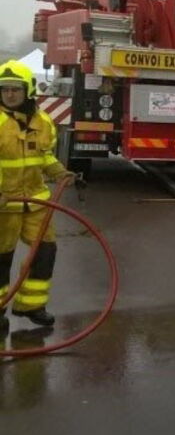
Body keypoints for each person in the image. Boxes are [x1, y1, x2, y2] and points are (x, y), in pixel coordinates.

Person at [0, 60, 73, 334]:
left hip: (36, 203)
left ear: (28, 89)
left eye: (15, 89)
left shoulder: (43, 122)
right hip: (4, 205)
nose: (9, 94)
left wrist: (59, 171)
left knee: (44, 253)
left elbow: (44, 155)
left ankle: (31, 306)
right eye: (4, 89)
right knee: (0, 260)